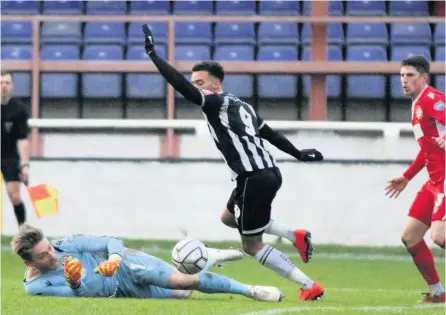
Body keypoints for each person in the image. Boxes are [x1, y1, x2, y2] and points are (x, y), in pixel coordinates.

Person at [142, 25, 324, 301]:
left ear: (216, 84)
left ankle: (309, 285)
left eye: (200, 83)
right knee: (228, 217)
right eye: (195, 82)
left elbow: (180, 86)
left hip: (254, 177)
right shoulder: (241, 105)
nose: (195, 87)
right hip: (262, 174)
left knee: (252, 245)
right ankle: (293, 235)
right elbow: (269, 133)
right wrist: (298, 154)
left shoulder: (216, 103)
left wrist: (154, 55)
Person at [12, 223, 283, 301]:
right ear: (29, 263)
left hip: (128, 264)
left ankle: (251, 290)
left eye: (49, 247)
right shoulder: (35, 288)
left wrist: (116, 259)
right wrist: (75, 282)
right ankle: (208, 258)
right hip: (124, 294)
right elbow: (81, 295)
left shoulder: (65, 244)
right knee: (184, 293)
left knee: (184, 279)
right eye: (43, 255)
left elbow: (110, 240)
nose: (53, 254)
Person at [385, 55, 445, 303]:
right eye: (401, 75)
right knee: (410, 236)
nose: (404, 80)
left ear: (424, 78)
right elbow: (427, 148)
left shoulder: (432, 100)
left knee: (440, 237)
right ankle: (438, 293)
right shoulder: (417, 104)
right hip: (433, 182)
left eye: (410, 75)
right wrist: (406, 177)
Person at [1, 71, 30, 227]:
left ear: (12, 86)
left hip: (10, 157)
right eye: (0, 83)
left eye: (6, 83)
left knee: (15, 196)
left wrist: (25, 165)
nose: (3, 86)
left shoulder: (19, 109)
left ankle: (25, 234)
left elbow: (23, 139)